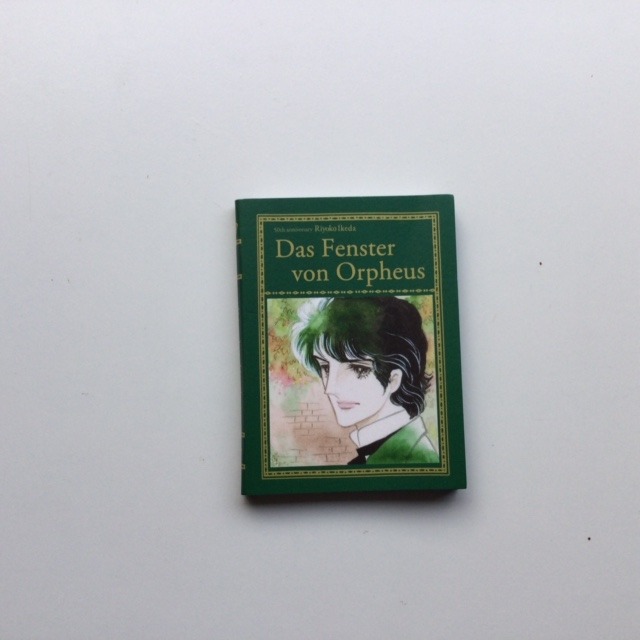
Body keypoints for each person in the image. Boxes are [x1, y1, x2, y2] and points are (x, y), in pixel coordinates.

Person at [292, 297, 439, 464]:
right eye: (325, 367)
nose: (330, 387)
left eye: (358, 369)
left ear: (394, 379)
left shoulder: (416, 458)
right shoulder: (379, 454)